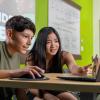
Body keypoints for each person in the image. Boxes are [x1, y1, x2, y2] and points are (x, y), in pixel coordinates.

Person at [26, 27, 91, 100]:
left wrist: (79, 69)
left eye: (56, 41)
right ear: (41, 44)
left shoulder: (64, 55)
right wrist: (45, 95)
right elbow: (30, 85)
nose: (53, 45)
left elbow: (73, 67)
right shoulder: (32, 57)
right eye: (48, 42)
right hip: (35, 89)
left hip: (54, 88)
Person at [0, 15, 44, 100]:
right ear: (10, 34)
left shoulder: (16, 55)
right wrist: (15, 72)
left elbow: (18, 89)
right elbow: (13, 73)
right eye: (26, 36)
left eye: (31, 38)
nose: (29, 42)